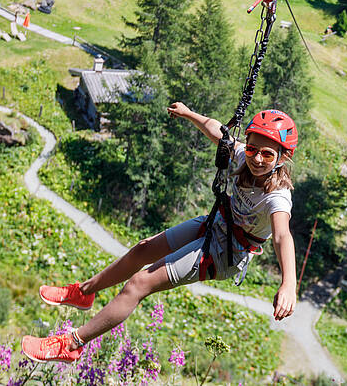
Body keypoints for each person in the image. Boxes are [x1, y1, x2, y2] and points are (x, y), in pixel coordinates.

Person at [21, 104, 298, 363]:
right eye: (252, 150)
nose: (257, 158)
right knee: (143, 248)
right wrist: (190, 114)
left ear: (283, 157)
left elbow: (282, 236)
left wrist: (288, 283)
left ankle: (70, 345)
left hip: (225, 253)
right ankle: (83, 292)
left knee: (138, 284)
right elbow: (219, 132)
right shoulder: (244, 156)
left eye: (267, 154)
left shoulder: (277, 196)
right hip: (215, 224)